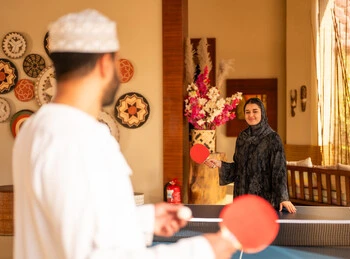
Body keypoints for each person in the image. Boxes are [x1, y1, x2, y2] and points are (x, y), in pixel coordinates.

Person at [12, 9, 236, 259]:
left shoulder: (34, 129)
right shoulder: (80, 139)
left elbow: (72, 221)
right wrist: (205, 250)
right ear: (104, 64)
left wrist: (143, 219)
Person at [204, 98, 296, 213]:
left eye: (255, 111)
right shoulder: (242, 137)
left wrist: (283, 197)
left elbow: (279, 171)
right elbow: (239, 168)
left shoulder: (273, 139)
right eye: (247, 112)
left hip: (264, 202)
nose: (251, 115)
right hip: (241, 198)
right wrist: (220, 164)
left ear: (262, 112)